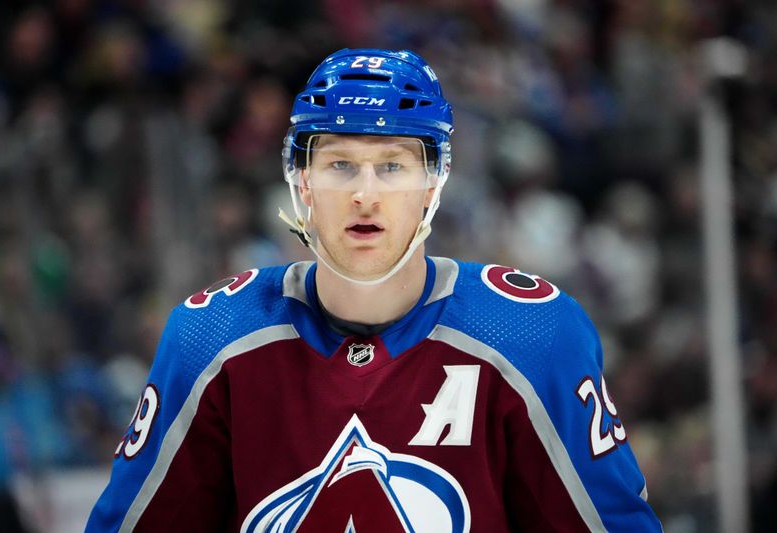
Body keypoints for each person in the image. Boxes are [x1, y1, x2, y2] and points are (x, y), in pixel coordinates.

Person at [87, 48, 662, 532]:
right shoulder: (212, 339)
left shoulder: (533, 336)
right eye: (339, 164)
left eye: (392, 166)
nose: (365, 194)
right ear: (301, 180)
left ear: (434, 181)